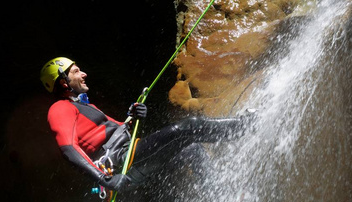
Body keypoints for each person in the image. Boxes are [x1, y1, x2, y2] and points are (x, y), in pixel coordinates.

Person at [40, 57, 254, 193]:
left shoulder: (87, 107)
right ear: (63, 81)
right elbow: (69, 149)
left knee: (192, 149)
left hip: (129, 158)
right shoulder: (60, 108)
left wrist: (135, 117)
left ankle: (218, 195)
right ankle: (246, 126)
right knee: (189, 127)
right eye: (76, 71)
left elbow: (124, 131)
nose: (84, 74)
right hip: (121, 162)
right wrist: (105, 179)